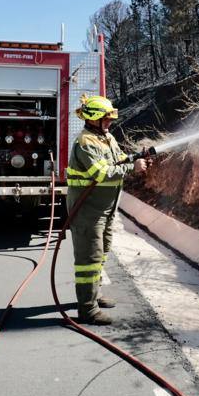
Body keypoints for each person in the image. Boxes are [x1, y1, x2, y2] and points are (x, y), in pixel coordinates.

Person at [65, 95, 147, 325]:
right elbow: (101, 173)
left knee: (102, 252)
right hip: (87, 211)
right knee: (88, 260)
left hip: (105, 210)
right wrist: (133, 168)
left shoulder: (105, 137)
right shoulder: (86, 142)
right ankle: (87, 309)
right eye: (106, 118)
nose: (110, 122)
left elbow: (118, 159)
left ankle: (94, 294)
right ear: (94, 119)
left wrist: (137, 156)